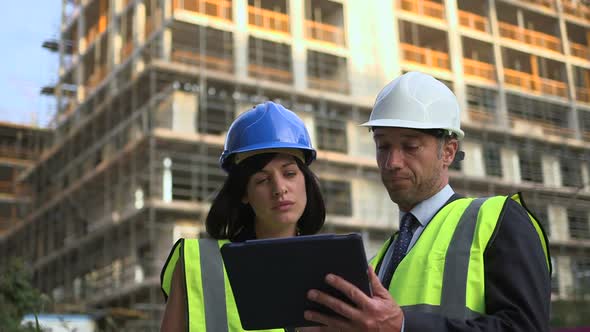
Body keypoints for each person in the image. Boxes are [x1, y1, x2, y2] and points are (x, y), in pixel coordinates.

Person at [303, 71, 551, 331]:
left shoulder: (498, 219)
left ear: (448, 151)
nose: (392, 163)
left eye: (410, 147)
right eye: (383, 146)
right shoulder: (378, 261)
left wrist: (404, 327)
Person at [160, 101, 326, 331]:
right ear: (244, 194)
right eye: (262, 179)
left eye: (289, 173)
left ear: (305, 181)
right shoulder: (198, 263)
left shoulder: (332, 266)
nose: (279, 188)